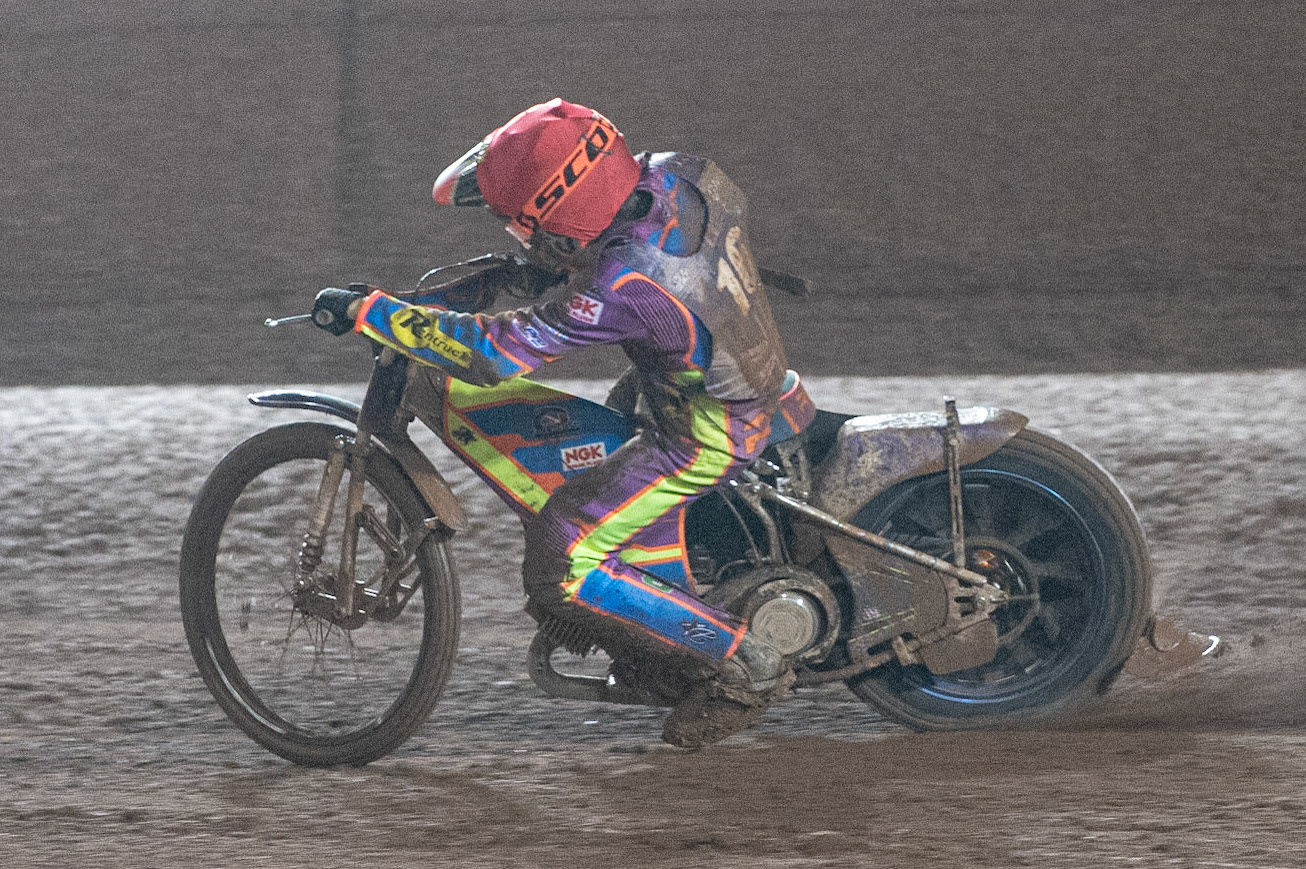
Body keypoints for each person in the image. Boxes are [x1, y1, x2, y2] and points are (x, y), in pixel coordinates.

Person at [312, 98, 798, 748]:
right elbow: (604, 233)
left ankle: (744, 664)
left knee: (563, 552)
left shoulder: (626, 282)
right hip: (732, 360)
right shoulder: (678, 174)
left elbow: (495, 355)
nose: (519, 235)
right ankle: (659, 631)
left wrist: (378, 313)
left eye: (523, 225)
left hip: (707, 432)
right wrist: (541, 264)